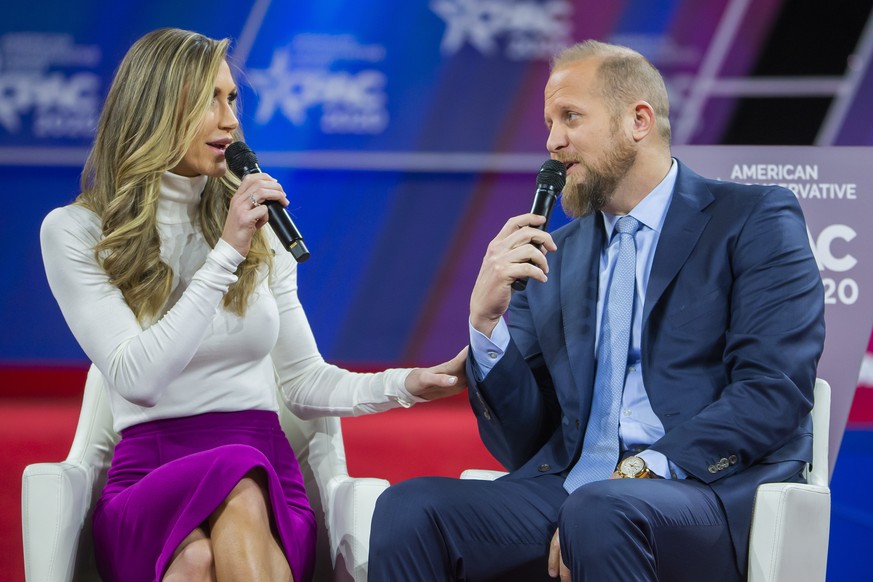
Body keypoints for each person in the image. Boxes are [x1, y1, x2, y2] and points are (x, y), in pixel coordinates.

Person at [368, 39, 825, 581]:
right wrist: (487, 327)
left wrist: (642, 471)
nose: (552, 142)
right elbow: (522, 441)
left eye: (570, 117)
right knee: (410, 509)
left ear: (638, 120)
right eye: (548, 122)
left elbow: (773, 389)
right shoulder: (555, 258)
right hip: (575, 488)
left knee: (601, 511)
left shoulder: (752, 219)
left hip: (702, 491)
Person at [40, 28, 466, 582]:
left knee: (226, 513)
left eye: (232, 98)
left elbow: (304, 384)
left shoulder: (258, 228)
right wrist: (225, 254)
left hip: (265, 467)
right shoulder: (79, 231)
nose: (231, 121)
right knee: (196, 547)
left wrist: (406, 385)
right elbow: (136, 377)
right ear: (157, 110)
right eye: (209, 102)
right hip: (149, 473)